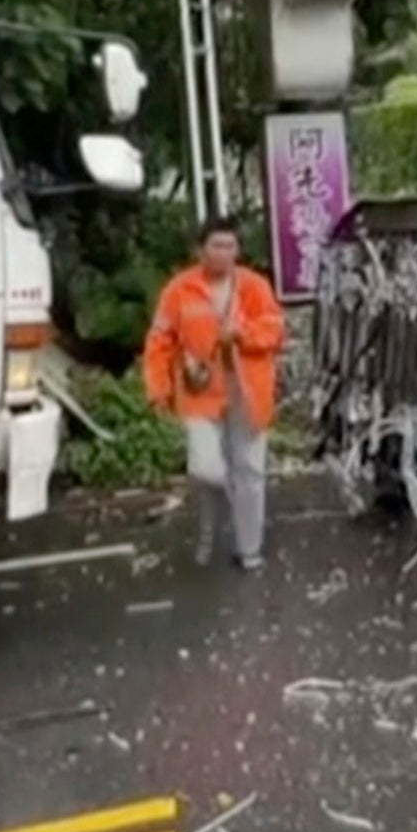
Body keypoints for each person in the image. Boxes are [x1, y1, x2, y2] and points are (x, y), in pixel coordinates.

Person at [144, 218, 287, 572]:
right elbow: (159, 341)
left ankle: (248, 548)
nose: (223, 254)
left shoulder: (254, 287)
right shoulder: (180, 290)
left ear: (238, 250)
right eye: (215, 246)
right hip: (200, 390)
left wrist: (241, 333)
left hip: (247, 388)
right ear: (200, 250)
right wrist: (158, 387)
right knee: (207, 468)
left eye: (229, 246)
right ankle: (216, 515)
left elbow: (274, 330)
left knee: (250, 470)